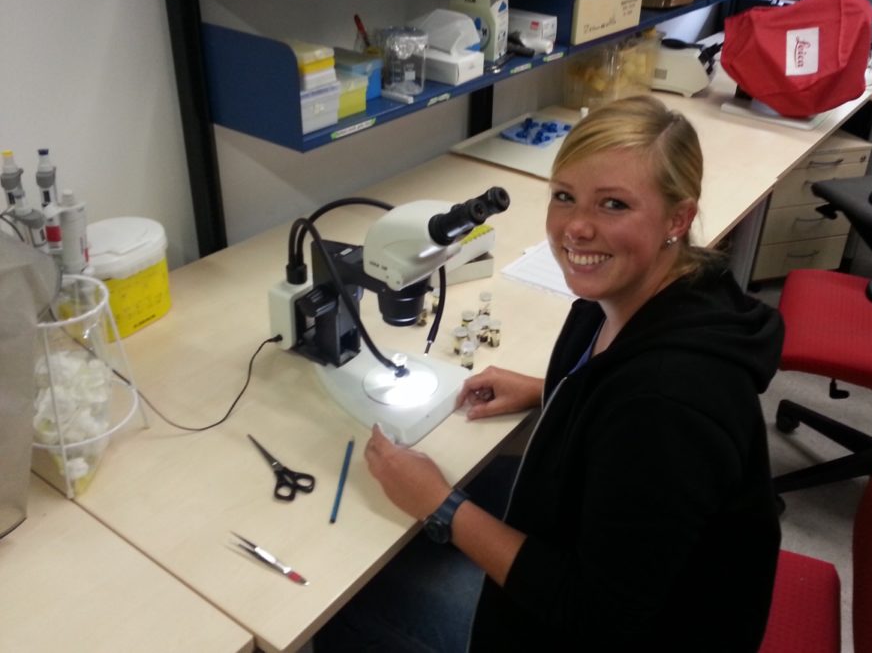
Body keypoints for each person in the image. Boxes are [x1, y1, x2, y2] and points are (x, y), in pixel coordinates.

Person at [318, 94, 783, 651]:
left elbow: (594, 613)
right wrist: (553, 392)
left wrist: (440, 506)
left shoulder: (670, 403)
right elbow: (622, 404)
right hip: (634, 571)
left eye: (613, 205)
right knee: (472, 490)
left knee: (349, 607)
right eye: (564, 196)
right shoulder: (635, 298)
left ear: (678, 217)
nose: (576, 228)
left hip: (629, 633)